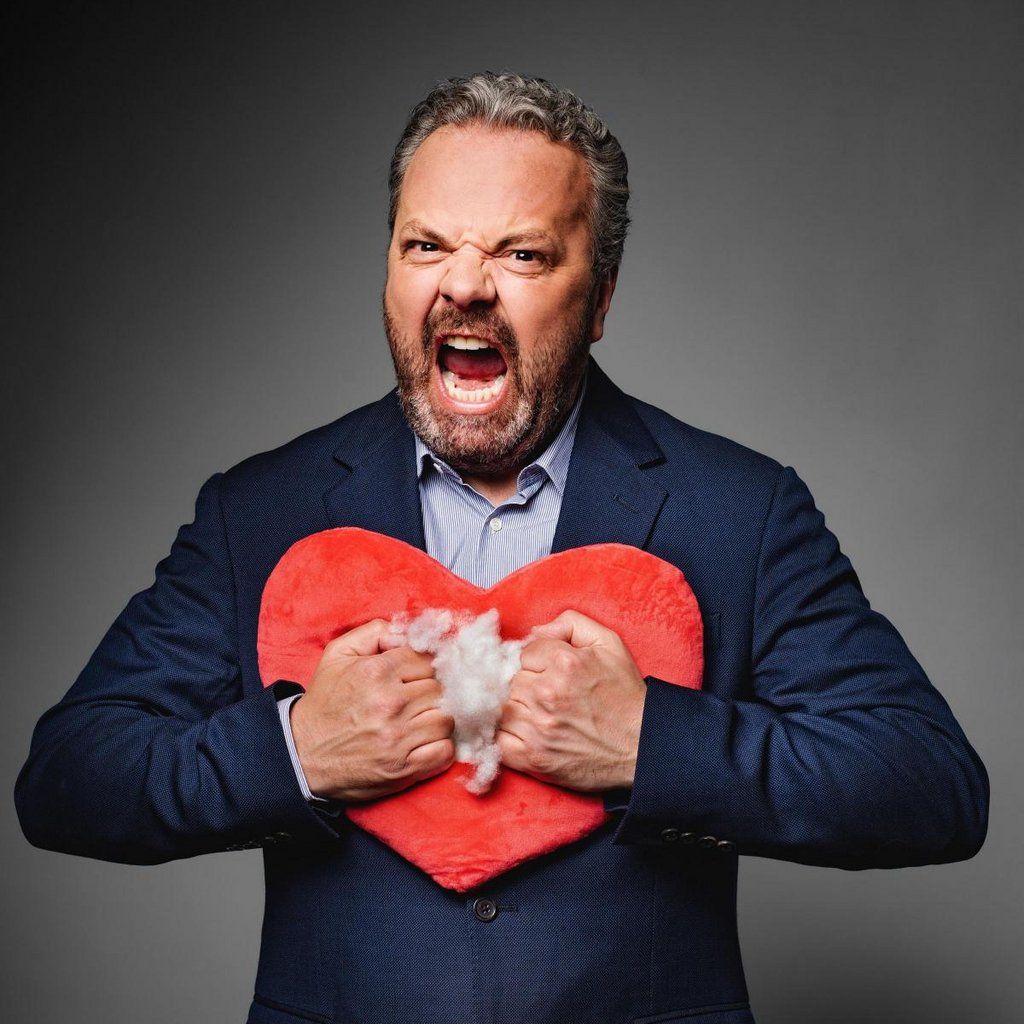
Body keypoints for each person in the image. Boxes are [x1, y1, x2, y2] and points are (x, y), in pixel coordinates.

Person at [15, 72, 988, 1024]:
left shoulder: (740, 511)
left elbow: (930, 784)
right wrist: (298, 752)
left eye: (521, 254)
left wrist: (649, 742)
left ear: (599, 299)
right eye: (426, 244)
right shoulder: (260, 511)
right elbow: (69, 778)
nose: (464, 285)